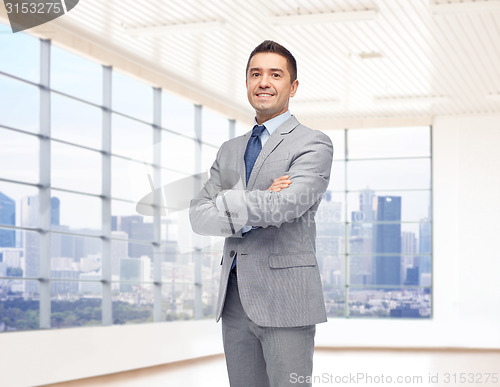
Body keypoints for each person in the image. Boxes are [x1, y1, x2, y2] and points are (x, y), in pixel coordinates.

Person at [189, 40, 333, 387]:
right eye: (256, 74)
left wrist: (227, 199)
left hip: (287, 299)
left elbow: (288, 205)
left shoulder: (313, 143)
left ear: (292, 86)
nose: (264, 82)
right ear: (248, 83)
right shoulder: (230, 150)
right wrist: (259, 199)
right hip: (236, 301)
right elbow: (197, 217)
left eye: (275, 74)